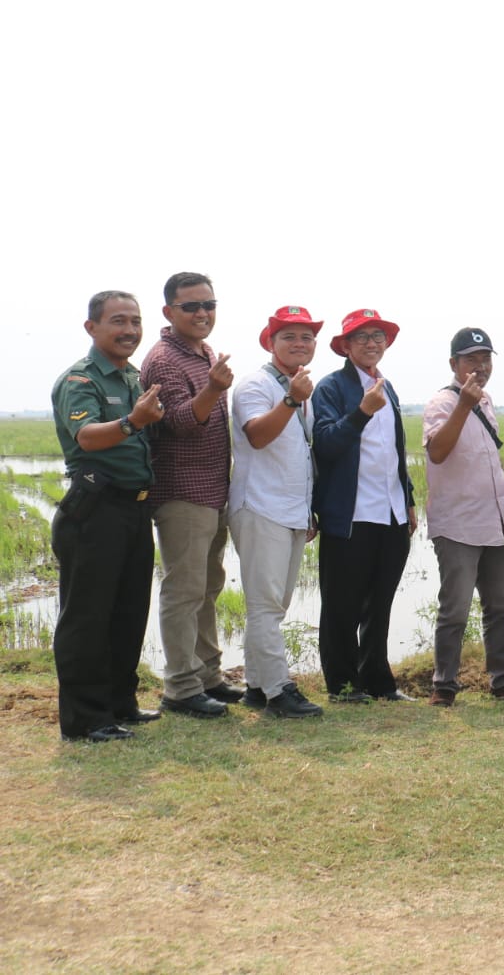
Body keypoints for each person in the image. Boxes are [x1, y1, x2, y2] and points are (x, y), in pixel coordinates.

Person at [50, 291, 165, 741]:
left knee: (128, 612)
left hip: (134, 510)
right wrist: (132, 422)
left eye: (136, 321)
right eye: (118, 321)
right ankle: (85, 720)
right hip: (94, 512)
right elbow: (87, 437)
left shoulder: (133, 377)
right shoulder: (80, 381)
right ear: (91, 328)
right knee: (87, 617)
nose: (130, 330)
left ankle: (121, 704)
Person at [140, 272, 238, 720]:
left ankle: (208, 677)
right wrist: (215, 388)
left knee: (209, 587)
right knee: (184, 590)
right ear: (169, 312)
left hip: (212, 490)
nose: (202, 313)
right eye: (191, 307)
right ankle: (180, 687)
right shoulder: (164, 359)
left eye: (209, 305)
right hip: (182, 492)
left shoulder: (203, 353)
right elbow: (178, 421)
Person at [312, 309, 417, 703]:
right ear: (345, 346)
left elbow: (393, 451)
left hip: (389, 512)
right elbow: (325, 443)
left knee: (381, 602)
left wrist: (406, 499)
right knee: (342, 604)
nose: (372, 343)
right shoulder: (331, 388)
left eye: (378, 336)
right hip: (351, 514)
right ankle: (341, 684)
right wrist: (361, 413)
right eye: (362, 337)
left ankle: (378, 680)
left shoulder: (386, 387)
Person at [229, 305, 324, 718]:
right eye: (289, 337)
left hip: (290, 510)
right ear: (269, 342)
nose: (299, 344)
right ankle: (279, 690)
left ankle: (255, 686)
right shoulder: (256, 385)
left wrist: (308, 512)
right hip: (259, 505)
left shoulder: (301, 392)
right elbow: (258, 437)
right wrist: (290, 399)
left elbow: (300, 456)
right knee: (265, 605)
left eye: (306, 337)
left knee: (274, 605)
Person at [423, 328, 504, 707]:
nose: (480, 367)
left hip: (497, 519)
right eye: (471, 360)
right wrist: (464, 405)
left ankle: (502, 680)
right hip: (459, 524)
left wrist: (474, 403)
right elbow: (437, 453)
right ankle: (444, 685)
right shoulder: (441, 403)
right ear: (454, 364)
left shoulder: (488, 401)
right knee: (455, 608)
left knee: (501, 604)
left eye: (486, 359)